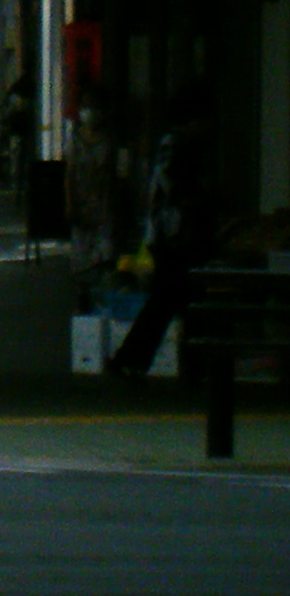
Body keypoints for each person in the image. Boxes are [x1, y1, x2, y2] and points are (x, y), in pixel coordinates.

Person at [109, 91, 217, 380]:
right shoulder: (177, 144)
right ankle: (135, 358)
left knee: (169, 300)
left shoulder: (177, 143)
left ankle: (137, 358)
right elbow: (173, 189)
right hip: (173, 236)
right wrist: (199, 199)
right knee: (169, 300)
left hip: (169, 236)